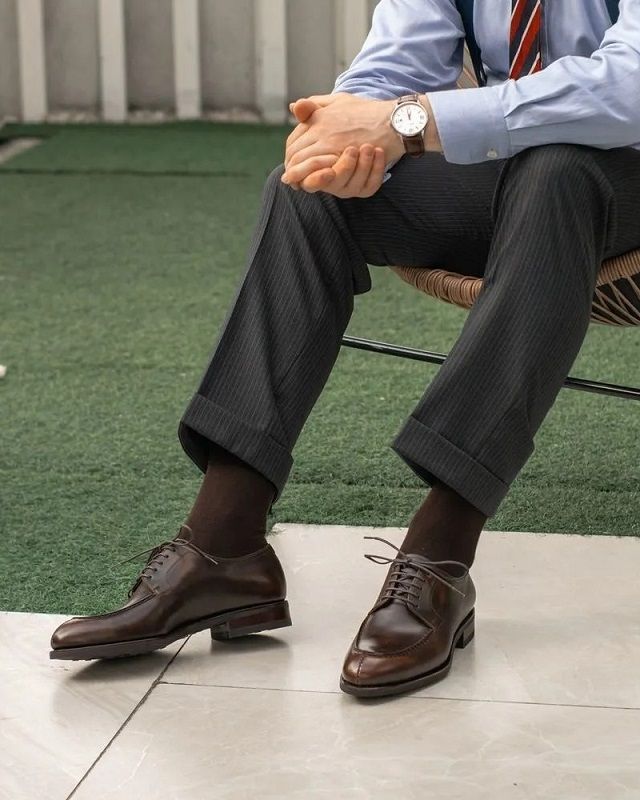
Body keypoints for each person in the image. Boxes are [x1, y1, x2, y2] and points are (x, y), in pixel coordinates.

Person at [50, 0, 640, 699]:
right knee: (309, 191)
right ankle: (224, 545)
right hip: (516, 168)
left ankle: (441, 555)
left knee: (558, 172)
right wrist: (346, 134)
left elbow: (627, 86)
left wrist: (408, 123)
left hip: (617, 169)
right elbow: (393, 65)